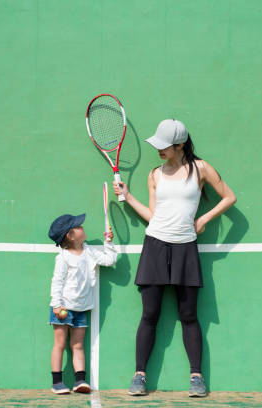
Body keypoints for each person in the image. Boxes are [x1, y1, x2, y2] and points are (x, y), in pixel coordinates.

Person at [113, 119, 236, 397]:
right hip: (155, 245)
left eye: (164, 145)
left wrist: (203, 218)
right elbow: (153, 217)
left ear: (180, 144)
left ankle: (196, 378)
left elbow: (229, 197)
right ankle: (139, 376)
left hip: (185, 247)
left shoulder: (201, 169)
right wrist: (129, 198)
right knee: (150, 315)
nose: (158, 149)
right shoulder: (154, 174)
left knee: (189, 315)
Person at [47, 213, 117, 394]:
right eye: (78, 227)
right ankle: (57, 383)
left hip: (81, 308)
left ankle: (80, 381)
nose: (82, 227)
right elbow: (57, 282)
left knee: (77, 345)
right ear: (70, 236)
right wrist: (57, 304)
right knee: (60, 344)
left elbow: (109, 260)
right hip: (63, 307)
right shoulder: (63, 257)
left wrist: (108, 243)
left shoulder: (90, 252)